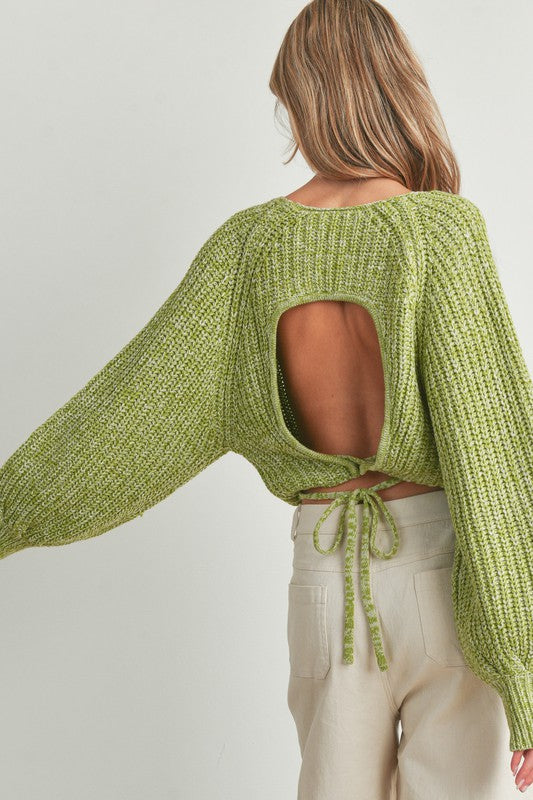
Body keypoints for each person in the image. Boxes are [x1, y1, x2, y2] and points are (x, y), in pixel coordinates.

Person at [0, 0, 531, 796]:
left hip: (323, 578)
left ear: (303, 100)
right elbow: (493, 459)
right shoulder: (441, 231)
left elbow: (122, 421)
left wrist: (8, 510)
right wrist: (523, 671)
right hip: (443, 578)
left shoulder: (248, 246)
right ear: (397, 87)